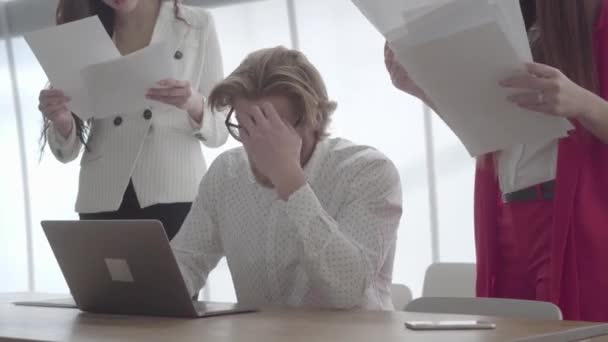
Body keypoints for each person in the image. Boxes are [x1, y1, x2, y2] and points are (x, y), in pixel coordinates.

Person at [385, 0, 608, 321]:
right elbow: (491, 131)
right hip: (507, 210)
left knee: (561, 326)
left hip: (572, 216)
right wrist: (424, 90)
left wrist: (584, 103)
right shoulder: (518, 24)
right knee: (504, 327)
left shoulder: (595, 20)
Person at [171, 46, 402, 310]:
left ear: (314, 118)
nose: (256, 147)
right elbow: (186, 262)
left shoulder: (368, 171)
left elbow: (347, 291)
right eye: (246, 128)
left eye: (271, 131)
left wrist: (290, 181)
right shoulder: (227, 172)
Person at [38, 0, 227, 240]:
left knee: (177, 278)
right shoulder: (85, 30)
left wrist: (192, 102)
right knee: (101, 279)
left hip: (173, 189)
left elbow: (220, 130)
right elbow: (67, 152)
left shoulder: (197, 24)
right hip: (102, 195)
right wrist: (62, 120)